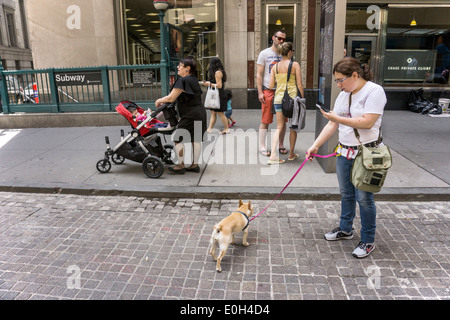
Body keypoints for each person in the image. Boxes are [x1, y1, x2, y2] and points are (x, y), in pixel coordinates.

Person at [305, 57, 387, 259]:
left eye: (341, 80)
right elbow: (332, 125)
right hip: (345, 152)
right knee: (346, 194)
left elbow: (367, 122)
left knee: (364, 198)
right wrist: (314, 146)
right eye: (337, 81)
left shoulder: (374, 91)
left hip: (366, 154)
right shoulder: (344, 95)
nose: (339, 84)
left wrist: (336, 118)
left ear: (355, 75)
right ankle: (345, 229)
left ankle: (368, 240)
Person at [155, 57, 207, 174]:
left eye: (180, 65)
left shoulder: (182, 80)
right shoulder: (193, 79)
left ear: (187, 69)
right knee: (196, 139)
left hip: (190, 114)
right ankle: (194, 165)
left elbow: (171, 97)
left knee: (177, 138)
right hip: (200, 112)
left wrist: (159, 100)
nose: (178, 67)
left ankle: (180, 165)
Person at [268, 42, 304, 164]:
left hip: (278, 99)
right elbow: (299, 84)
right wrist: (302, 100)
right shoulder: (295, 65)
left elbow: (270, 85)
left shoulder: (275, 67)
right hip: (293, 99)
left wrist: (281, 81)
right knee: (293, 127)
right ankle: (291, 154)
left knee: (279, 127)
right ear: (290, 52)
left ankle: (273, 155)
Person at [257, 30, 287, 157]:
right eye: (279, 38)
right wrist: (260, 92)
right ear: (273, 38)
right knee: (266, 119)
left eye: (283, 39)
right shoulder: (264, 53)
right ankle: (262, 145)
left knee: (283, 120)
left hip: (282, 90)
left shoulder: (284, 54)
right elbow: (259, 74)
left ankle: (280, 144)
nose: (281, 41)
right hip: (268, 90)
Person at [203, 57, 230, 134]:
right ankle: (209, 128)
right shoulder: (218, 72)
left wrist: (209, 84)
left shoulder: (218, 72)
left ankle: (226, 129)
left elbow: (219, 85)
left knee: (220, 113)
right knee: (213, 112)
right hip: (215, 95)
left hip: (219, 95)